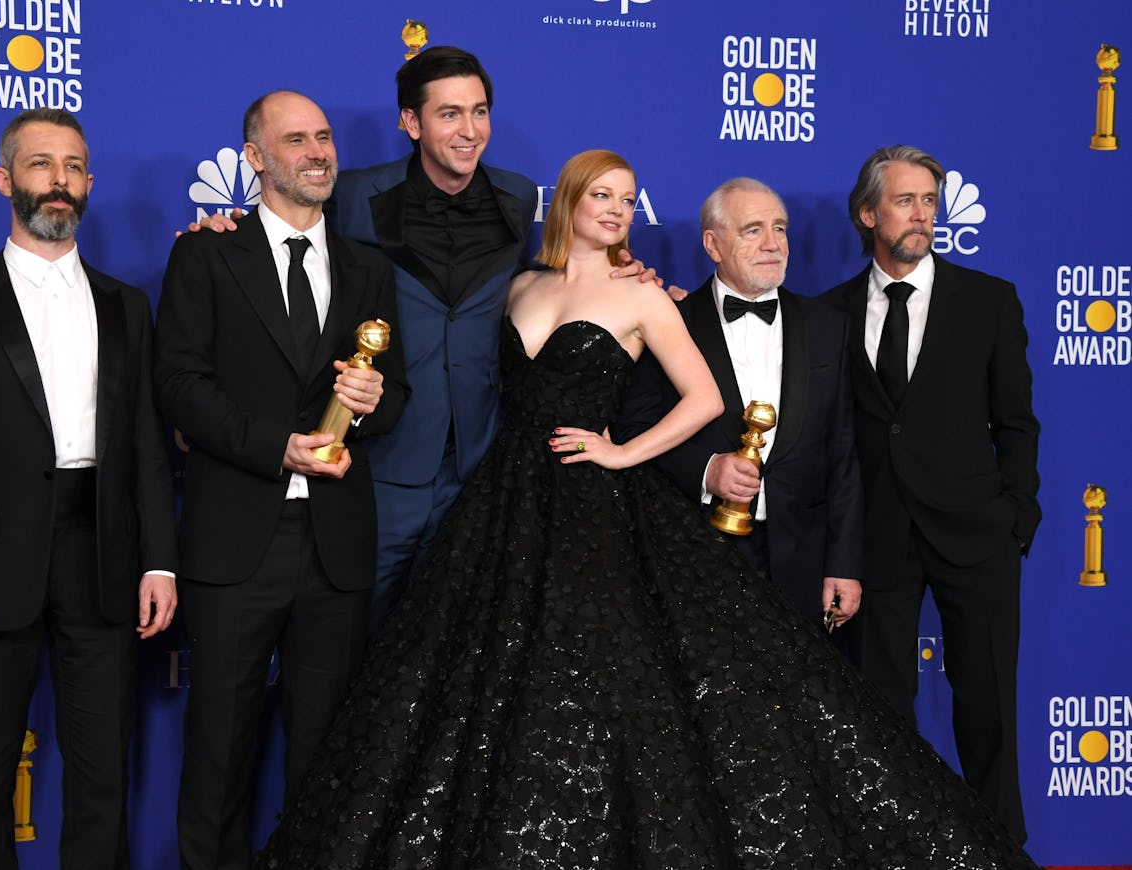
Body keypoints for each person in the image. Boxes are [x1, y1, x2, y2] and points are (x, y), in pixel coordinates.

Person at [255, 150, 1040, 868]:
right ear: (568, 200)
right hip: (501, 506)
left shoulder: (642, 295)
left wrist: (621, 454)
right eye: (603, 196)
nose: (617, 210)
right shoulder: (521, 286)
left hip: (596, 507)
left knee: (609, 675)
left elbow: (703, 399)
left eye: (629, 201)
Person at [189, 47, 658, 632]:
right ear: (411, 123)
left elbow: (555, 280)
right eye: (449, 114)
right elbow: (282, 225)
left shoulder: (515, 198)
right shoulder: (356, 194)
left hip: (486, 463)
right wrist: (221, 226)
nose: (470, 131)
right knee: (358, 641)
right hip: (384, 463)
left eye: (480, 112)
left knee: (462, 644)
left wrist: (630, 270)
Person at [0, 107, 178, 870]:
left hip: (105, 562)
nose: (59, 181)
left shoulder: (129, 305)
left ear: (90, 182)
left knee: (102, 781)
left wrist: (160, 560)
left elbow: (149, 446)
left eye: (73, 166)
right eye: (40, 164)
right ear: (5, 180)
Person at [154, 90, 407, 870]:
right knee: (218, 749)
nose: (318, 152)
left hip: (336, 544)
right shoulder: (205, 254)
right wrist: (279, 448)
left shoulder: (368, 266)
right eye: (295, 139)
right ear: (255, 158)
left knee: (327, 752)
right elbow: (181, 387)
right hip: (236, 538)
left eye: (325, 137)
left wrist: (367, 405)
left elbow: (395, 397)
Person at [822, 145, 1041, 843]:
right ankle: (895, 848)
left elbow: (1016, 421)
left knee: (988, 706)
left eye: (927, 201)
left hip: (976, 532)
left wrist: (1016, 518)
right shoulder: (827, 314)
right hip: (877, 537)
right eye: (904, 201)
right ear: (867, 214)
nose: (921, 215)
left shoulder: (989, 301)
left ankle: (1001, 848)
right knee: (880, 708)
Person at [617, 177, 863, 633]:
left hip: (802, 560)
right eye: (753, 230)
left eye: (781, 228)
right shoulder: (671, 320)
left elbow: (844, 454)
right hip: (696, 554)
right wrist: (707, 469)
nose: (773, 244)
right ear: (713, 244)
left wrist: (844, 563)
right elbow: (636, 424)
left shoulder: (829, 326)